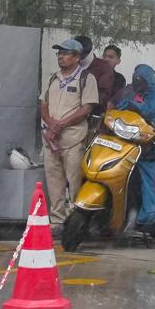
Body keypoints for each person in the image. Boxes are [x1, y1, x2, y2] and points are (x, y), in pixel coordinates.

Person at [116, 64, 155, 250]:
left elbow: (146, 111)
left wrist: (131, 104)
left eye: (141, 80)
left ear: (149, 81)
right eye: (135, 79)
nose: (137, 83)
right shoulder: (133, 96)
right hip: (140, 151)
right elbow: (120, 111)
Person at [40, 38, 100, 223]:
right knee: (54, 183)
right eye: (59, 53)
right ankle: (57, 221)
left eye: (65, 53)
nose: (60, 56)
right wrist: (51, 123)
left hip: (73, 139)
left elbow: (87, 108)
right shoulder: (53, 78)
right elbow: (43, 104)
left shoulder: (86, 78)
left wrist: (61, 124)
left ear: (77, 57)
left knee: (75, 182)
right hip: (51, 139)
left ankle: (75, 223)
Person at [76, 35, 117, 115]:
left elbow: (103, 95)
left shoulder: (104, 68)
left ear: (87, 52)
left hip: (91, 115)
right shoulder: (72, 65)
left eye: (78, 54)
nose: (77, 57)